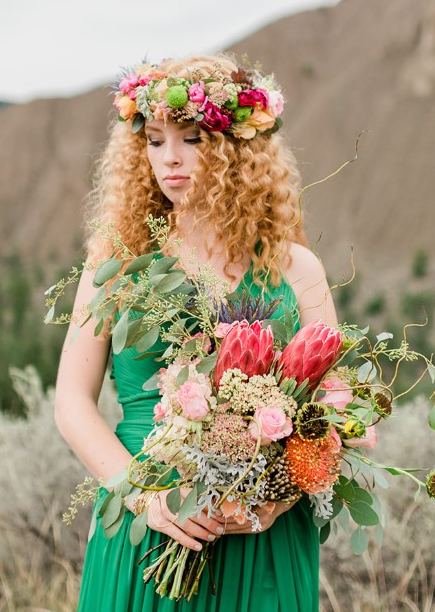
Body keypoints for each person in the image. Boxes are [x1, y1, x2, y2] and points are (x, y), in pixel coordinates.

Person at [54, 53, 338, 611]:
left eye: (191, 138)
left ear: (237, 150)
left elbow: (333, 407)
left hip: (263, 536)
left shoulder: (296, 268)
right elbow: (71, 401)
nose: (170, 158)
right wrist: (142, 494)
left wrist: (278, 499)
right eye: (155, 140)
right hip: (148, 520)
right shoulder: (116, 262)